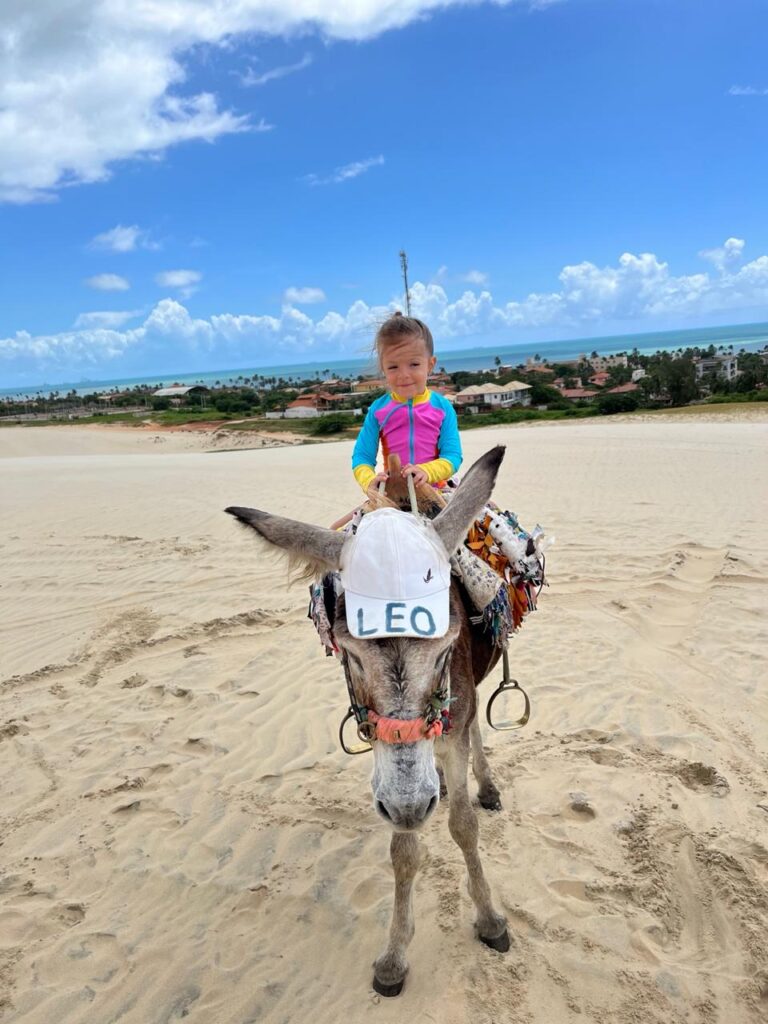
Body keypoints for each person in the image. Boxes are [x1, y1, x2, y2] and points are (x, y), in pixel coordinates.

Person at [352, 312, 462, 498]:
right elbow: (362, 457)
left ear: (430, 364)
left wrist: (427, 471)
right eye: (393, 367)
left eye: (414, 364)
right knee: (339, 528)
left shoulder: (442, 408)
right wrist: (369, 481)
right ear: (383, 368)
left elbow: (452, 456)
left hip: (436, 491)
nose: (403, 374)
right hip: (392, 496)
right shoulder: (378, 411)